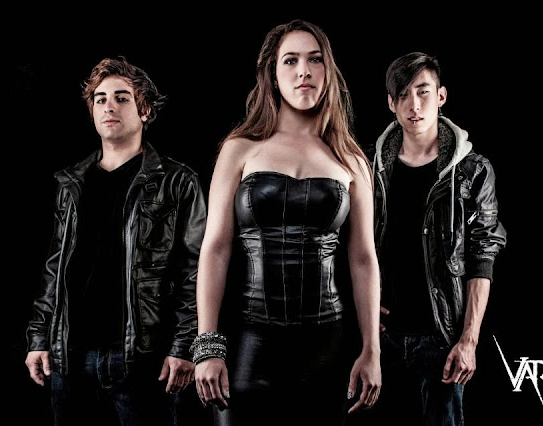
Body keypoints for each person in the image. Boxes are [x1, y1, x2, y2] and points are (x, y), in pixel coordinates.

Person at [192, 19, 382, 426]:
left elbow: (364, 259)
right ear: (272, 74)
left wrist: (372, 351)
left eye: (315, 60)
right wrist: (208, 345)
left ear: (328, 71)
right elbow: (216, 248)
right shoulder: (239, 148)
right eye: (290, 61)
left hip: (328, 347)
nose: (303, 71)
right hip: (250, 341)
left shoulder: (351, 160)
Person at [24, 56, 208, 426]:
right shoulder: (71, 183)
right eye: (101, 99)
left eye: (122, 98)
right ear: (92, 111)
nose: (109, 106)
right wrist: (39, 338)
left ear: (145, 110)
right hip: (69, 358)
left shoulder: (177, 182)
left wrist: (184, 346)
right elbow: (54, 267)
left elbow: (197, 268)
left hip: (142, 360)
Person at [362, 52, 508, 425]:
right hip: (380, 340)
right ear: (390, 103)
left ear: (441, 96)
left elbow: (483, 256)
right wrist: (361, 312)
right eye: (404, 95)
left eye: (423, 92)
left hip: (442, 339)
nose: (414, 105)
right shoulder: (368, 168)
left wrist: (469, 341)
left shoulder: (473, 171)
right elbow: (348, 246)